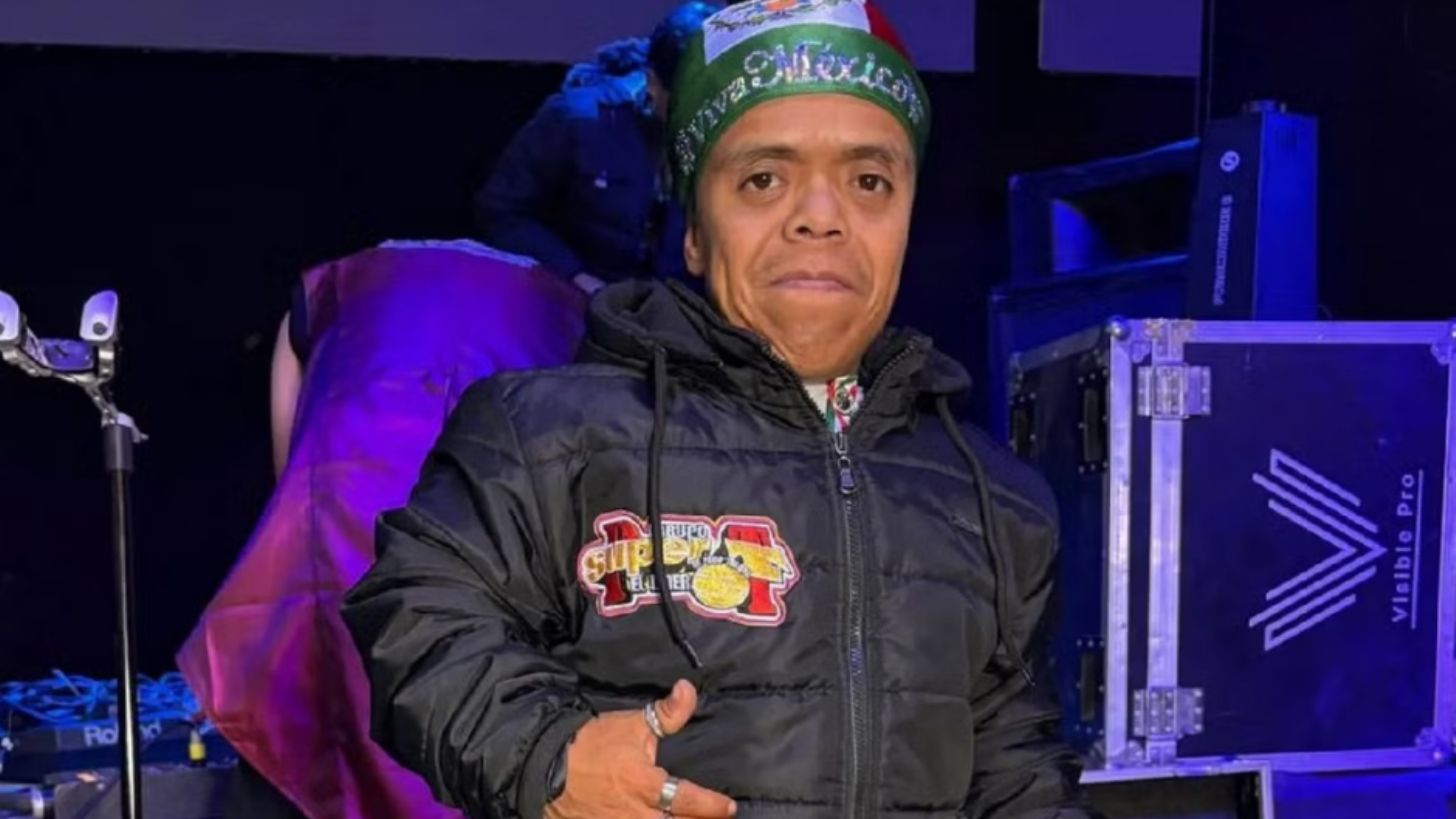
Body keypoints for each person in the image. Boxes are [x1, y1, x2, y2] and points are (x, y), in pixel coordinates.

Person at [344, 3, 1096, 818]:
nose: (821, 216)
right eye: (764, 178)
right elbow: (419, 613)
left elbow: (1016, 767)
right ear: (695, 232)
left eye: (869, 181)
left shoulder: (993, 496)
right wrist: (548, 756)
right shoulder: (549, 435)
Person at [177, 240, 587, 819]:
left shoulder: (323, 297)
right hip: (479, 471)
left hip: (356, 477)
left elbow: (294, 490)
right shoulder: (573, 309)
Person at [474, 2, 719, 294]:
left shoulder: (739, 132)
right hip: (575, 299)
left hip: (681, 307)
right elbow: (502, 213)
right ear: (654, 84)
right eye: (689, 103)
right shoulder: (577, 119)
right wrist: (576, 277)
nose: (703, 116)